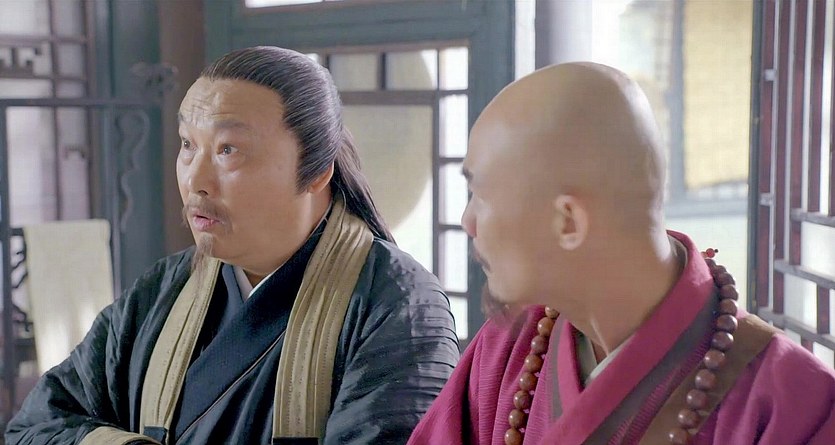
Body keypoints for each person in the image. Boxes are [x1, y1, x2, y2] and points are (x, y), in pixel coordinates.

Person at [7, 46, 459, 445]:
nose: (195, 180)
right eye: (188, 144)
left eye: (228, 150)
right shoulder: (165, 288)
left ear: (316, 170)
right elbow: (35, 425)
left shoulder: (398, 305)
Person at [408, 62, 835, 445]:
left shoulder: (793, 406)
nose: (468, 222)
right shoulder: (508, 347)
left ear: (568, 222)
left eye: (480, 195)